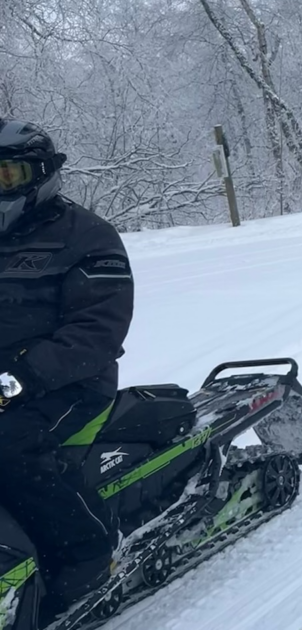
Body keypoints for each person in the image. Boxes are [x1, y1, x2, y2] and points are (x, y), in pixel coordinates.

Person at [0, 119, 134, 618]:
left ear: (40, 175)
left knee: (9, 447)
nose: (0, 189)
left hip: (68, 382)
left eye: (7, 176)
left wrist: (22, 377)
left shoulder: (87, 237)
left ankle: (89, 551)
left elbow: (99, 329)